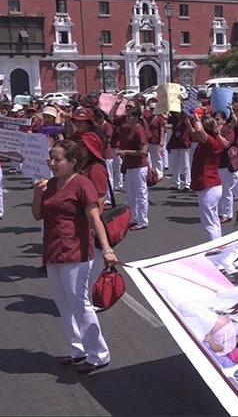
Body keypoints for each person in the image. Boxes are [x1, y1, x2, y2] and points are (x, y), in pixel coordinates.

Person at [31, 140, 118, 375]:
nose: (52, 163)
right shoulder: (49, 185)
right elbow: (37, 216)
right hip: (53, 250)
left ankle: (99, 353)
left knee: (79, 303)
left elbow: (94, 218)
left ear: (72, 162)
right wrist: (37, 195)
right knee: (63, 302)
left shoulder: (82, 184)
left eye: (57, 159)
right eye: (51, 158)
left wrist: (107, 248)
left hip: (76, 252)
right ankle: (77, 348)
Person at [189, 113, 229, 240]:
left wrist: (196, 118)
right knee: (214, 221)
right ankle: (218, 245)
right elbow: (196, 132)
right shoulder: (212, 141)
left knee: (209, 223)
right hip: (212, 185)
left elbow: (199, 130)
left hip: (208, 186)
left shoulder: (211, 142)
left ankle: (213, 250)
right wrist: (189, 121)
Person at [79, 131, 112, 270]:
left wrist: (94, 225)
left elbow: (100, 198)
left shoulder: (96, 169)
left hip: (92, 220)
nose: (79, 148)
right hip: (83, 217)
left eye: (82, 146)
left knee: (95, 265)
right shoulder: (83, 166)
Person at [118, 106, 149, 230]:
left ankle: (143, 220)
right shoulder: (130, 129)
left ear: (136, 118)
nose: (127, 118)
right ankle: (134, 218)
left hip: (139, 166)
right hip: (131, 165)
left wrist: (126, 152)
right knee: (131, 194)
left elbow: (143, 151)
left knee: (141, 193)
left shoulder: (139, 131)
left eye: (129, 116)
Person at [215, 109, 238, 224]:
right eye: (214, 120)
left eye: (218, 120)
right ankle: (220, 212)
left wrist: (218, 133)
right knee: (217, 190)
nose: (216, 122)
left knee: (226, 190)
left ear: (224, 120)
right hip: (215, 164)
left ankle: (227, 213)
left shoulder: (228, 131)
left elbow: (226, 144)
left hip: (225, 164)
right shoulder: (212, 131)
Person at [167, 111, 192, 191]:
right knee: (174, 164)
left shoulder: (186, 117)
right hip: (175, 142)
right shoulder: (173, 118)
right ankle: (175, 183)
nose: (176, 113)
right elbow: (166, 120)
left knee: (186, 164)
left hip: (184, 142)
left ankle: (187, 184)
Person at [147, 109, 167, 180]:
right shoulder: (149, 118)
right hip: (150, 140)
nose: (152, 110)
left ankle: (159, 174)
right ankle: (153, 173)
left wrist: (161, 140)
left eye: (153, 109)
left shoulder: (159, 118)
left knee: (158, 157)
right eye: (151, 109)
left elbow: (162, 130)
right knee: (151, 157)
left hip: (157, 140)